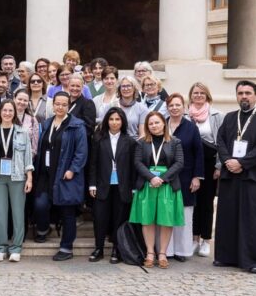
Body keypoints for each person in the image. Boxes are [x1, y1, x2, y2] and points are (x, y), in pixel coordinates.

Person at [214, 80, 256, 274]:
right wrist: (228, 161)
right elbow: (221, 141)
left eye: (248, 93)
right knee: (229, 217)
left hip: (255, 176)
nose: (244, 96)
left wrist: (242, 163)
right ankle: (227, 256)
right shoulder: (231, 118)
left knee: (255, 220)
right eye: (240, 93)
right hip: (230, 175)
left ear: (255, 96)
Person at [33, 92, 88, 261]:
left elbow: (81, 151)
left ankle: (66, 247)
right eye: (57, 104)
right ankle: (43, 229)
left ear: (68, 106)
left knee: (67, 211)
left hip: (65, 174)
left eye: (64, 104)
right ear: (53, 104)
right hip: (45, 173)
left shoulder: (77, 125)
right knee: (40, 204)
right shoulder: (47, 123)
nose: (60, 107)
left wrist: (73, 169)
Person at [129, 111, 185, 269]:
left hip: (167, 184)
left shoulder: (175, 142)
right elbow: (138, 163)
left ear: (163, 123)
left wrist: (163, 178)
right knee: (148, 220)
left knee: (166, 220)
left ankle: (162, 253)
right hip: (148, 184)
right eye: (150, 123)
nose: (154, 126)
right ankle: (149, 253)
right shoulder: (141, 143)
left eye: (157, 122)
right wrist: (151, 178)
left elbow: (179, 163)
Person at [0, 100, 33, 262]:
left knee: (18, 213)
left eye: (10, 111)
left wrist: (29, 178)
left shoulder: (23, 133)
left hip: (18, 176)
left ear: (14, 113)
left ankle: (16, 248)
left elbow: (28, 156)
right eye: (4, 110)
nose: (7, 113)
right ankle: (0, 248)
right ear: (0, 112)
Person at [87, 107, 135, 263]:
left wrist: (133, 187)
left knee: (119, 218)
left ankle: (116, 249)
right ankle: (98, 248)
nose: (114, 122)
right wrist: (92, 184)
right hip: (102, 185)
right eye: (111, 119)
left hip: (122, 187)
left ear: (123, 121)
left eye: (118, 119)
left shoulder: (129, 141)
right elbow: (92, 164)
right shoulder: (99, 139)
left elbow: (133, 167)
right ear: (107, 121)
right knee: (100, 218)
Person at [164, 93, 204, 262]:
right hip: (164, 176)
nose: (174, 108)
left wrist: (197, 177)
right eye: (171, 105)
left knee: (184, 214)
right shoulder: (161, 124)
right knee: (166, 213)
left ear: (184, 107)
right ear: (167, 107)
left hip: (186, 176)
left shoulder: (191, 127)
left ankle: (182, 250)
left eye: (177, 105)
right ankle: (168, 250)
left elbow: (198, 153)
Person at [188, 82, 225, 258]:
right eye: (195, 93)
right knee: (193, 202)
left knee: (207, 203)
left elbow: (223, 143)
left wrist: (219, 166)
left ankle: (206, 240)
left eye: (202, 93)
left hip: (210, 163)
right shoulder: (186, 114)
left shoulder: (217, 115)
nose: (198, 96)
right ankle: (194, 238)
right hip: (191, 163)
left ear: (207, 95)